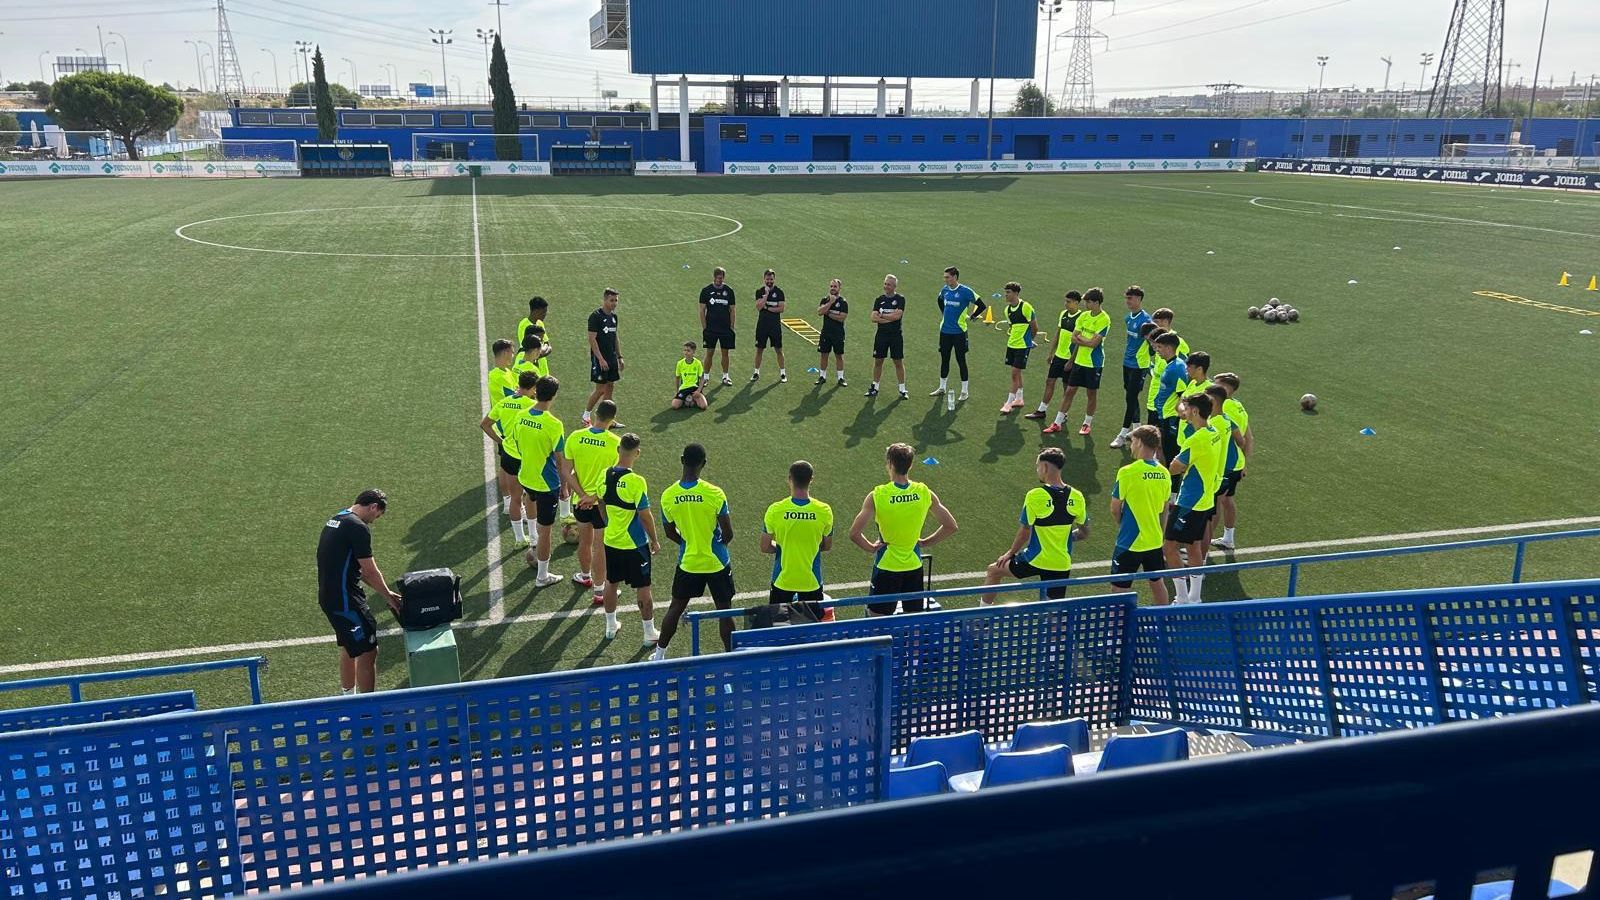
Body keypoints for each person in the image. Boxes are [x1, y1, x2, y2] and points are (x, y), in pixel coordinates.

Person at [849, 443, 958, 615]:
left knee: (877, 620)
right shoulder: (924, 492)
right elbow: (951, 526)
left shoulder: (877, 495)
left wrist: (871, 547)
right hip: (914, 566)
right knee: (913, 622)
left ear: (890, 464)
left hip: (887, 567)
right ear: (910, 465)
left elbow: (854, 533)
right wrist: (925, 542)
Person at [654, 443, 735, 658]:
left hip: (689, 562)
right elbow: (728, 533)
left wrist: (687, 542)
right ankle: (731, 656)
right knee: (725, 611)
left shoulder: (668, 495)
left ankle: (660, 654)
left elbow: (670, 532)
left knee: (676, 607)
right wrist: (718, 543)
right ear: (704, 464)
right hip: (717, 562)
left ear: (682, 460)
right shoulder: (714, 493)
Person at [317, 489, 399, 695]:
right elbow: (370, 571)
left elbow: (357, 570)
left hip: (330, 597)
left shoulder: (336, 519)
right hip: (346, 600)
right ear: (373, 507)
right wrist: (390, 598)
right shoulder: (358, 527)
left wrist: (385, 591)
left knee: (349, 646)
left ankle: (348, 700)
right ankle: (367, 710)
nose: (374, 521)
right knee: (368, 651)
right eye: (377, 516)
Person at [979, 448, 1087, 603]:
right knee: (1052, 610)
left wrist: (1010, 553)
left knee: (993, 570)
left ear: (1044, 467)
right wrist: (1064, 537)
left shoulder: (1035, 495)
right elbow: (1084, 533)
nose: (1037, 471)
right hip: (1061, 563)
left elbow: (1024, 532)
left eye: (1038, 467)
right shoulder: (1077, 496)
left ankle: (981, 618)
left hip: (1034, 559)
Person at [507, 375, 572, 588]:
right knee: (547, 531)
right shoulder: (554, 424)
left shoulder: (521, 415)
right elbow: (560, 459)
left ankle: (533, 541)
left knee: (530, 503)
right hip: (547, 483)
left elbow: (515, 442)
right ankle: (542, 576)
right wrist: (564, 487)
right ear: (553, 396)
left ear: (535, 391)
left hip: (526, 475)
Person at [1165, 392, 1226, 604]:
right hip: (1205, 499)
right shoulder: (1214, 432)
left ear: (1195, 411)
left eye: (1188, 408)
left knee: (1169, 546)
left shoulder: (1196, 439)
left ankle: (1182, 597)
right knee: (1193, 547)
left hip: (1189, 502)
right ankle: (1195, 597)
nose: (1185, 411)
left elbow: (1174, 468)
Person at [599, 433, 660, 641]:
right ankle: (649, 632)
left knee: (611, 582)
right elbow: (645, 515)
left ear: (618, 449)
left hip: (611, 540)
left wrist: (608, 522)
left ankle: (610, 626)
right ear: (638, 453)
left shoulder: (603, 475)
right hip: (635, 544)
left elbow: (600, 502)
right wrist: (654, 539)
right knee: (643, 587)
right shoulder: (636, 481)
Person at [565, 398, 621, 604]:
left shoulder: (575, 436)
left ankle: (585, 576)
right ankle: (599, 591)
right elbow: (615, 477)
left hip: (579, 502)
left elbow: (566, 471)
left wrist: (582, 495)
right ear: (613, 419)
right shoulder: (616, 443)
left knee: (585, 541)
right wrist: (594, 497)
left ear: (596, 413)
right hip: (603, 504)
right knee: (600, 546)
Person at [1110, 425, 1172, 605]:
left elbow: (1115, 507)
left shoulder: (1127, 472)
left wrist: (1122, 524)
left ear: (1139, 443)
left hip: (1129, 541)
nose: (1130, 446)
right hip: (1154, 540)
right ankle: (1162, 620)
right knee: (1157, 583)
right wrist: (1160, 534)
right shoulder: (1164, 473)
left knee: (1119, 590)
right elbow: (1164, 509)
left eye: (1132, 442)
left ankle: (1121, 627)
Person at [762, 460, 834, 611]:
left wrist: (783, 547)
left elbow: (765, 547)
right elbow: (827, 546)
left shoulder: (775, 510)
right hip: (811, 581)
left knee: (778, 627)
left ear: (789, 478)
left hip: (782, 579)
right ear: (811, 480)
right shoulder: (824, 511)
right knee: (810, 629)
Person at [481, 370, 536, 546]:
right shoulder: (532, 405)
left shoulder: (504, 403)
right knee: (531, 497)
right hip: (526, 456)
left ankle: (519, 539)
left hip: (508, 453)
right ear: (534, 388)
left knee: (515, 498)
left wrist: (501, 441)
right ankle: (534, 536)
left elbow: (485, 424)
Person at [1044, 288, 1109, 435]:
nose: (1086, 304)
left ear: (1097, 302)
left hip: (1094, 363)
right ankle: (1057, 422)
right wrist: (1085, 342)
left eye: (1089, 302)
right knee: (1069, 391)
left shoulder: (1104, 319)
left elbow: (1094, 344)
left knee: (1091, 394)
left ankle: (1087, 423)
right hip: (1079, 361)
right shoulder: (1084, 316)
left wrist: (1082, 340)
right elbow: (1074, 338)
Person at [1210, 372, 1253, 550]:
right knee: (1227, 500)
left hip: (1226, 464)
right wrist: (1244, 463)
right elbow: (1249, 437)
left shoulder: (1225, 408)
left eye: (1216, 384)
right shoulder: (1239, 406)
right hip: (1236, 463)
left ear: (1226, 388)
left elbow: (1240, 438)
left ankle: (1202, 544)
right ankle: (1228, 538)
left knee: (1215, 504)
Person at [931, 266, 987, 402]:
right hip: (944, 331)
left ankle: (964, 391)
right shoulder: (944, 290)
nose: (945, 279)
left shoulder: (966, 291)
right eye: (944, 277)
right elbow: (939, 299)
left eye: (947, 277)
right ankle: (942, 387)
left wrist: (973, 316)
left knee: (960, 360)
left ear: (955, 277)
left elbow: (982, 305)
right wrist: (944, 313)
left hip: (959, 333)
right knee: (944, 359)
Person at [1025, 290, 1081, 420]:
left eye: (1068, 302)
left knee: (1067, 387)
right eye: (1065, 301)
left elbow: (1079, 341)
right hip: (1058, 356)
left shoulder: (1081, 318)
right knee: (1049, 381)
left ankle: (1064, 414)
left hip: (1069, 358)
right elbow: (1058, 333)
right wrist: (1051, 353)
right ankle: (1041, 410)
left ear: (1077, 303)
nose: (1065, 304)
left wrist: (1071, 360)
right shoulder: (1063, 314)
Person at [1111, 286, 1154, 449]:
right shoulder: (1128, 318)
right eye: (1126, 298)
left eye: (1130, 298)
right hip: (1127, 363)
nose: (1127, 301)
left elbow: (1153, 345)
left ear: (1139, 299)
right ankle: (1137, 430)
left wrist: (1148, 361)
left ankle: (1122, 435)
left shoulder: (1146, 321)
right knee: (1131, 397)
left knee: (1130, 398)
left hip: (1139, 365)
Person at [486, 338, 519, 518]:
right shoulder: (499, 375)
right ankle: (508, 503)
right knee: (507, 467)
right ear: (506, 352)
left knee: (507, 465)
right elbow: (515, 395)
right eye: (512, 352)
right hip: (504, 427)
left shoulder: (507, 372)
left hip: (510, 426)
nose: (513, 355)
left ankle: (508, 502)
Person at [584, 289, 624, 427]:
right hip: (600, 359)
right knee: (600, 389)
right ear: (605, 300)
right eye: (611, 300)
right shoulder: (595, 316)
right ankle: (586, 416)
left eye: (616, 300)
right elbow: (592, 339)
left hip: (612, 358)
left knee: (610, 387)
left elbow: (615, 338)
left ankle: (607, 419)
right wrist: (600, 359)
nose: (614, 303)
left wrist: (619, 356)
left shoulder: (614, 317)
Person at [866, 274, 909, 399]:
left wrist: (882, 316)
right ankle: (875, 387)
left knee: (898, 362)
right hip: (881, 335)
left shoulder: (900, 299)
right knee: (878, 360)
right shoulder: (879, 299)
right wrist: (889, 318)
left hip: (895, 336)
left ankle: (902, 390)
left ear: (894, 286)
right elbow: (873, 318)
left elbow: (897, 317)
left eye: (889, 284)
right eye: (885, 284)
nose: (886, 286)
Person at [998, 282, 1038, 415]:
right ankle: (1019, 398)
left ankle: (1009, 403)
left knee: (1014, 373)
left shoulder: (1026, 307)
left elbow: (1034, 327)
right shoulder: (1007, 310)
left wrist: (1030, 341)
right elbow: (1013, 327)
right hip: (1012, 344)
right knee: (1017, 372)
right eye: (1005, 292)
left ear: (1015, 293)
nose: (1006, 295)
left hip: (1022, 346)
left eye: (1008, 292)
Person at [1151, 332, 1189, 465]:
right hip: (1164, 415)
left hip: (1171, 418)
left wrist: (1178, 415)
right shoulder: (1171, 365)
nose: (1157, 350)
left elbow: (1183, 395)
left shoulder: (1177, 368)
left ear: (1169, 348)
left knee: (1170, 453)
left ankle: (1172, 484)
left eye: (1159, 347)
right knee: (1163, 449)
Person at [698, 267, 736, 387]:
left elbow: (732, 310)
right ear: (714, 277)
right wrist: (705, 327)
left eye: (722, 278)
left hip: (725, 329)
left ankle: (725, 376)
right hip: (711, 329)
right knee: (709, 352)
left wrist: (732, 326)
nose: (720, 280)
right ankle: (706, 377)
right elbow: (702, 310)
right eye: (718, 278)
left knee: (725, 353)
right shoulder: (706, 291)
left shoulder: (729, 291)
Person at [751, 268, 788, 383]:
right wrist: (766, 296)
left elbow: (781, 308)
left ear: (774, 279)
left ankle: (783, 373)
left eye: (771, 279)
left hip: (775, 326)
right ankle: (756, 372)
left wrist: (767, 307)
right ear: (764, 279)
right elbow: (758, 307)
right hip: (762, 325)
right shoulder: (759, 291)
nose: (769, 281)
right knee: (759, 349)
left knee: (778, 349)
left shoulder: (779, 292)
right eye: (767, 279)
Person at [816, 279, 848, 387]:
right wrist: (830, 303)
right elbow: (820, 312)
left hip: (838, 333)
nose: (833, 288)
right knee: (824, 354)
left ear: (839, 288)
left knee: (839, 355)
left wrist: (828, 313)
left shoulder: (843, 302)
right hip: (826, 332)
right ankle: (822, 376)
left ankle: (840, 378)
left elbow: (841, 318)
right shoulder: (825, 300)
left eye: (835, 286)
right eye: (831, 286)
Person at [672, 341, 708, 410]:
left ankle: (691, 398)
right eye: (684, 350)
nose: (686, 352)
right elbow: (677, 378)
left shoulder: (698, 363)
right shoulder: (680, 363)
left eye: (688, 351)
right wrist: (677, 391)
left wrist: (698, 391)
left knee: (704, 406)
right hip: (684, 388)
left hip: (695, 388)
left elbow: (702, 378)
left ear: (693, 352)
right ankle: (687, 398)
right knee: (674, 406)